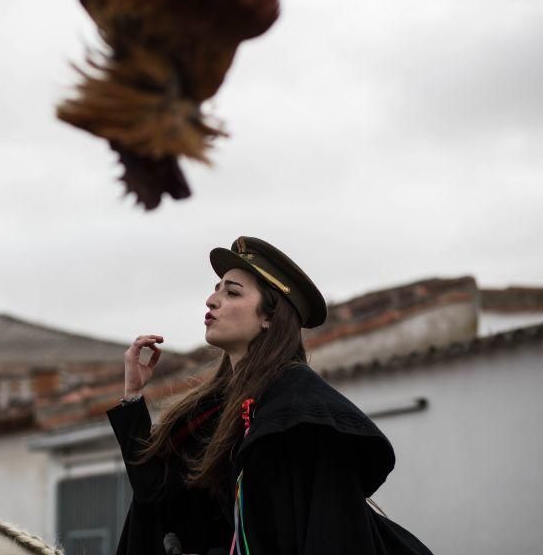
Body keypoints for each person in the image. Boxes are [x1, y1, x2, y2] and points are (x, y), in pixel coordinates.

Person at [107, 236, 435, 555]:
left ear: (269, 317)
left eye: (232, 292)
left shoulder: (299, 415)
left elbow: (301, 536)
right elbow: (159, 495)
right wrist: (134, 396)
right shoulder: (213, 410)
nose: (212, 300)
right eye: (216, 288)